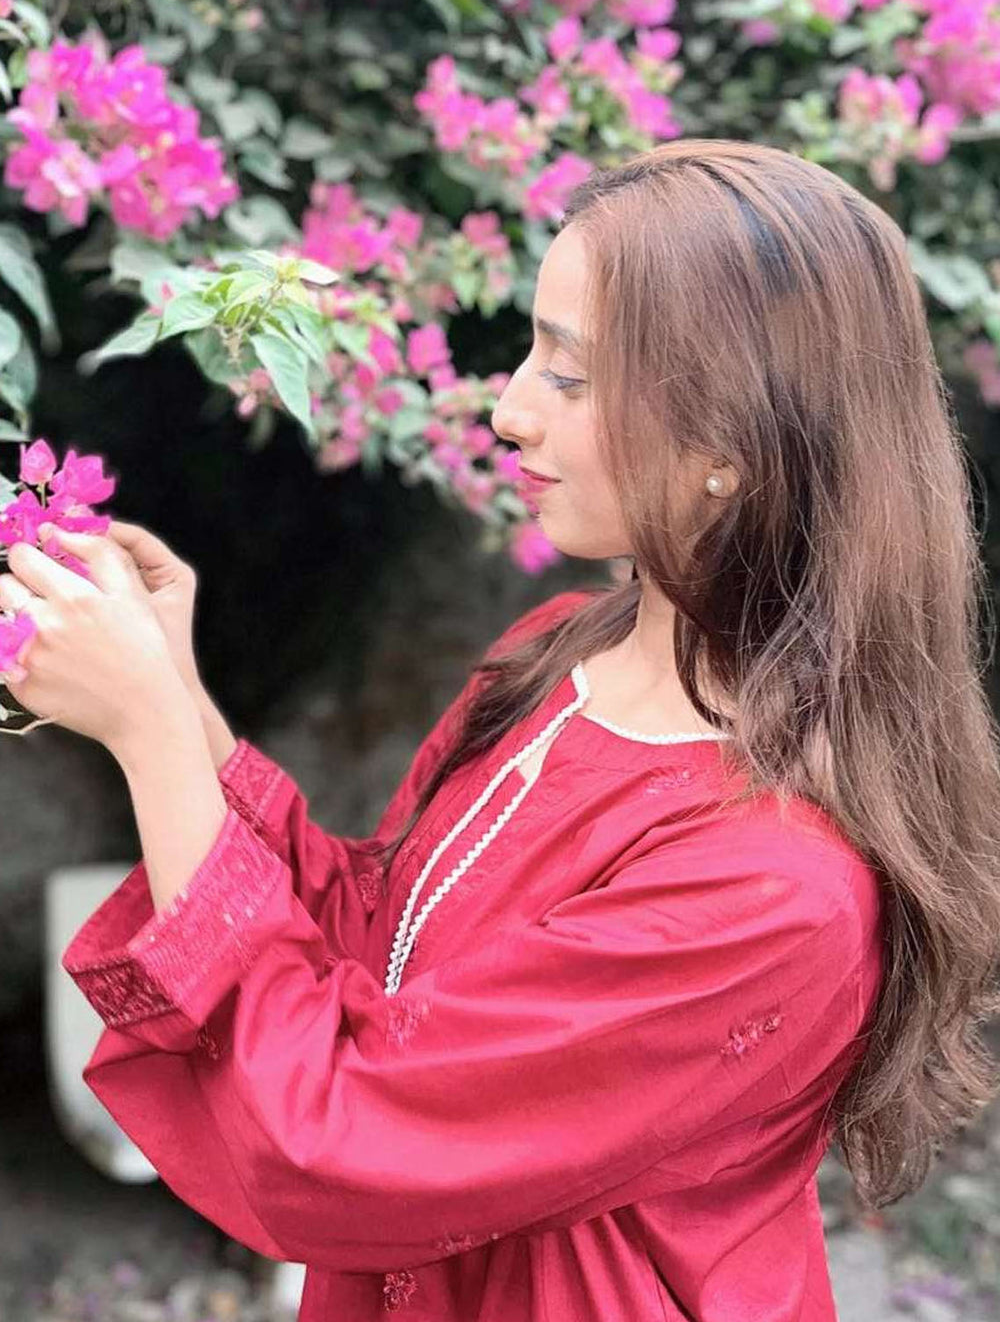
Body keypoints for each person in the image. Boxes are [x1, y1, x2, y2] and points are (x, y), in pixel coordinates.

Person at [2, 137, 999, 1321]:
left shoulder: (773, 883)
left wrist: (151, 734)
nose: (510, 410)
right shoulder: (555, 657)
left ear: (729, 446)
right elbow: (378, 950)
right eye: (531, 353)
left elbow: (345, 1136)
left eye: (570, 378)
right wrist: (180, 702)